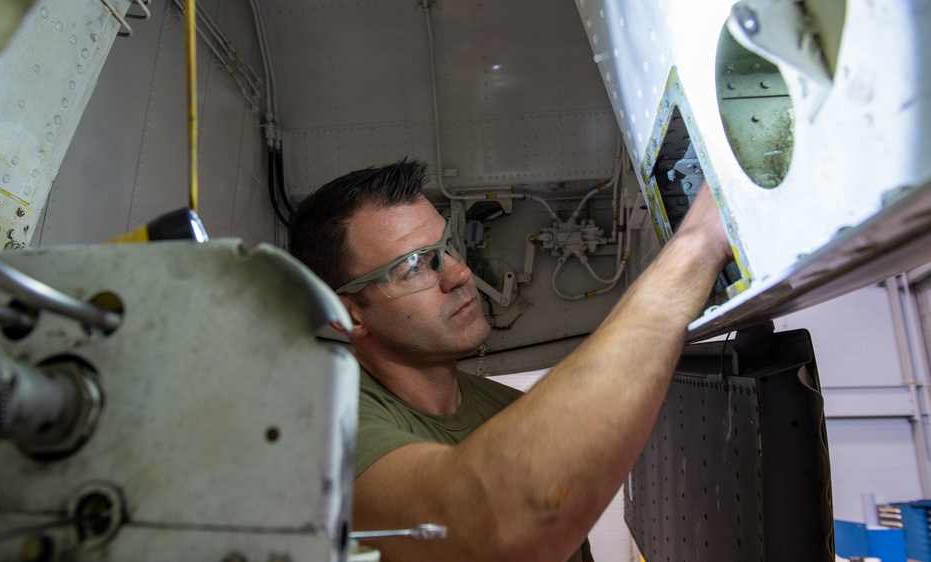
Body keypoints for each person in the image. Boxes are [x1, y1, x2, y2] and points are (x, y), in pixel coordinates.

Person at [289, 158, 732, 562]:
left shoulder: (507, 411)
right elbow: (483, 527)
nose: (460, 273)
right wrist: (696, 245)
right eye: (414, 267)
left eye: (447, 246)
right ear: (347, 316)